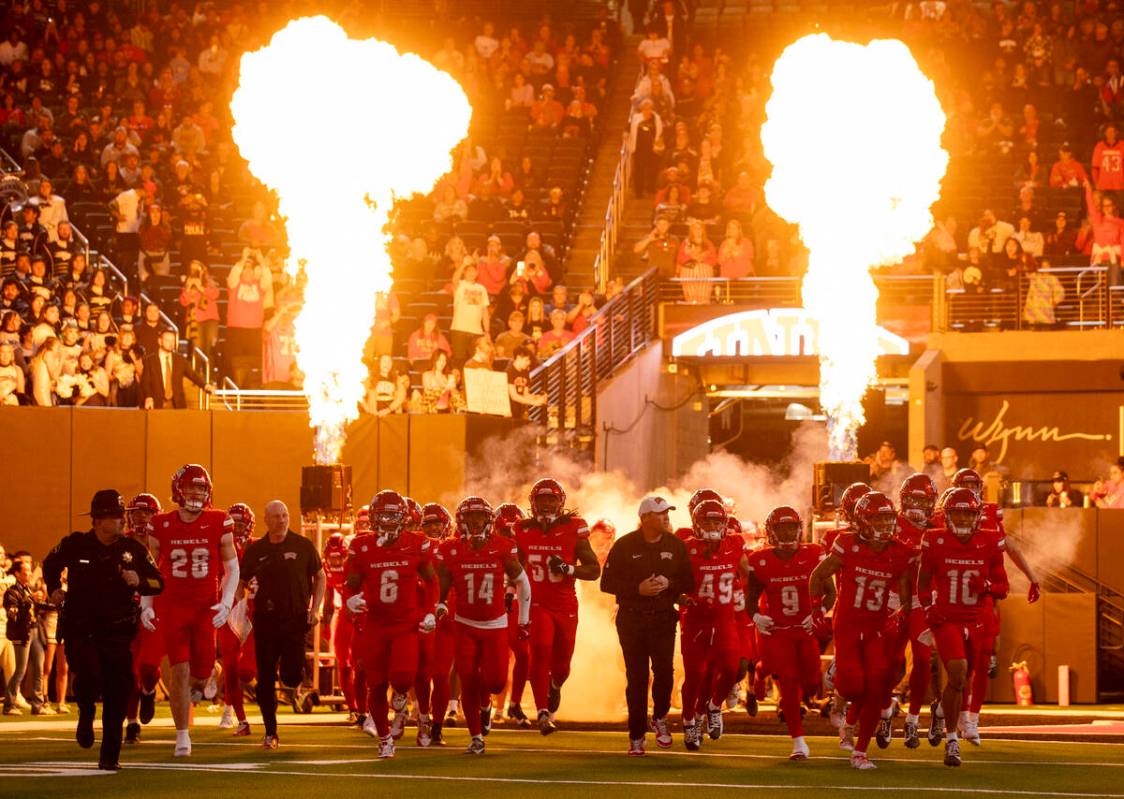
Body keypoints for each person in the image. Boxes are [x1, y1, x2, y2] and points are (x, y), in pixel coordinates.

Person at [42, 489, 163, 771]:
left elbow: (159, 582)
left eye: (124, 516)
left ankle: (110, 755)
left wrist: (139, 581)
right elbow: (50, 564)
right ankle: (85, 713)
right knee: (90, 676)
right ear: (98, 520)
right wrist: (53, 589)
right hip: (81, 629)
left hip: (118, 633)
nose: (123, 521)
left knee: (118, 692)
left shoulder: (134, 550)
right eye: (117, 516)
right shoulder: (75, 544)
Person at [809, 492, 915, 770]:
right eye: (878, 519)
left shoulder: (899, 551)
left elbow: (906, 596)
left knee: (878, 686)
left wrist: (902, 613)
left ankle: (860, 751)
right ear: (863, 521)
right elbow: (818, 575)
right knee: (855, 686)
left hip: (877, 626)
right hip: (847, 624)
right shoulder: (847, 544)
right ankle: (839, 680)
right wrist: (816, 608)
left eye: (888, 519)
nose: (885, 525)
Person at [143, 465, 239, 757]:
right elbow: (149, 569)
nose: (196, 493)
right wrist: (147, 605)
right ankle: (182, 735)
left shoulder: (218, 521)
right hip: (173, 606)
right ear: (177, 490)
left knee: (202, 672)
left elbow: (232, 567)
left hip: (204, 607)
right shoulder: (161, 524)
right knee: (180, 671)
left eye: (200, 488)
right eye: (190, 487)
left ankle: (200, 687)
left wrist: (225, 602)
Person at [917, 488, 1009, 768]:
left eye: (967, 512)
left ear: (977, 515)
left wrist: (988, 587)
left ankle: (942, 711)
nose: (961, 517)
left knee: (962, 680)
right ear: (946, 515)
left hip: (977, 620)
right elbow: (923, 583)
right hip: (947, 619)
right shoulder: (935, 539)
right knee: (957, 671)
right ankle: (952, 740)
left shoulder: (989, 540)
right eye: (956, 512)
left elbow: (1003, 587)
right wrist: (929, 608)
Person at [343, 490, 437, 759]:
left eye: (392, 515)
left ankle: (402, 699)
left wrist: (430, 610)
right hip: (376, 624)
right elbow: (350, 585)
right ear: (373, 518)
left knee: (403, 677)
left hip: (406, 624)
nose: (386, 521)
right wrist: (349, 602)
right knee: (376, 684)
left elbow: (431, 580)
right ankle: (384, 738)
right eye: (382, 516)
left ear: (403, 518)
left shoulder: (416, 542)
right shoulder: (362, 546)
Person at [434, 497, 531, 755]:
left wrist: (523, 620)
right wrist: (440, 603)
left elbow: (523, 582)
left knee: (496, 682)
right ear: (460, 522)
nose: (475, 523)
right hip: (465, 624)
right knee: (467, 678)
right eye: (470, 518)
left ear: (489, 521)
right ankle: (476, 737)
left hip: (495, 624)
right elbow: (442, 585)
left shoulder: (503, 546)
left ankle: (486, 704)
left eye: (480, 518)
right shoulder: (450, 549)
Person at [600, 496, 693, 756]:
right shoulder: (624, 545)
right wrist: (637, 589)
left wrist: (670, 584)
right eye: (659, 513)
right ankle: (636, 735)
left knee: (665, 672)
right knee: (637, 677)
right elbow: (606, 583)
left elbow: (687, 581)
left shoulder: (675, 545)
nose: (665, 517)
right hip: (632, 618)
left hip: (663, 616)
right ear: (645, 518)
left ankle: (660, 717)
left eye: (666, 512)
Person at [513, 479, 601, 735]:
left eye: (551, 499)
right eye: (542, 499)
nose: (547, 504)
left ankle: (554, 686)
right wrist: (509, 592)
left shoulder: (574, 528)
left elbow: (594, 570)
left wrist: (568, 569)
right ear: (533, 503)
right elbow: (513, 568)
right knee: (539, 652)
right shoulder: (521, 529)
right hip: (536, 603)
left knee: (562, 666)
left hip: (565, 605)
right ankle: (542, 711)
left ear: (560, 502)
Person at [745, 506, 830, 760]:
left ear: (799, 529)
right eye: (782, 528)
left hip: (804, 629)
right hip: (777, 630)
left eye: (791, 527)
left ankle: (760, 673)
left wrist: (818, 613)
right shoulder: (760, 560)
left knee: (813, 683)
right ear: (771, 532)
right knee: (789, 683)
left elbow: (832, 592)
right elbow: (750, 600)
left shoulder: (813, 554)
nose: (787, 532)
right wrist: (756, 616)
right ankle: (798, 741)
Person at [240, 501, 325, 751]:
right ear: (266, 520)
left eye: (285, 515)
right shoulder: (257, 550)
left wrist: (316, 608)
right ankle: (270, 732)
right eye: (276, 516)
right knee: (265, 678)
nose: (282, 520)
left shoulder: (303, 545)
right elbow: (241, 580)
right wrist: (237, 608)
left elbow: (320, 576)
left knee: (291, 674)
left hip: (295, 619)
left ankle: (293, 684)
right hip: (266, 621)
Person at [678, 498, 748, 751]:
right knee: (695, 676)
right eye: (706, 520)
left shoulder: (735, 544)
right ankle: (689, 721)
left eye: (716, 520)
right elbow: (675, 583)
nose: (711, 525)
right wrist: (682, 598)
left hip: (724, 618)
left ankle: (714, 706)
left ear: (724, 523)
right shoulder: (685, 548)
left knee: (731, 669)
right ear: (696, 523)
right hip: (696, 620)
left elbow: (746, 572)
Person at [122, 494, 165, 745]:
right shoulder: (122, 542)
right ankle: (132, 723)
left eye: (148, 513)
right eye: (138, 513)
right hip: (126, 611)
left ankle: (149, 691)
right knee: (129, 670)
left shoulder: (163, 542)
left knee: (149, 667)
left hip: (154, 610)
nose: (142, 517)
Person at [215, 504, 257, 737]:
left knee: (247, 671)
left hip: (251, 609)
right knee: (231, 665)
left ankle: (231, 709)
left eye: (240, 525)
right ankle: (235, 715)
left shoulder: (257, 548)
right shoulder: (219, 545)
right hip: (229, 608)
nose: (237, 529)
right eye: (234, 525)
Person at [140, 329, 212, 409]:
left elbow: (193, 375)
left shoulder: (180, 360)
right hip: (157, 404)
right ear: (160, 341)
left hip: (177, 404)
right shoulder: (150, 360)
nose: (171, 343)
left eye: (173, 341)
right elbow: (145, 381)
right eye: (167, 340)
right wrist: (148, 397)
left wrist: (205, 385)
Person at [3, 558, 35, 715]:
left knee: (36, 668)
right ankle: (9, 704)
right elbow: (12, 610)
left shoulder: (27, 589)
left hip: (31, 631)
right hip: (20, 633)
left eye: (30, 571)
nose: (29, 574)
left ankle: (37, 703)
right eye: (25, 572)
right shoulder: (12, 591)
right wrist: (26, 605)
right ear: (17, 574)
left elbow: (35, 606)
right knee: (20, 670)